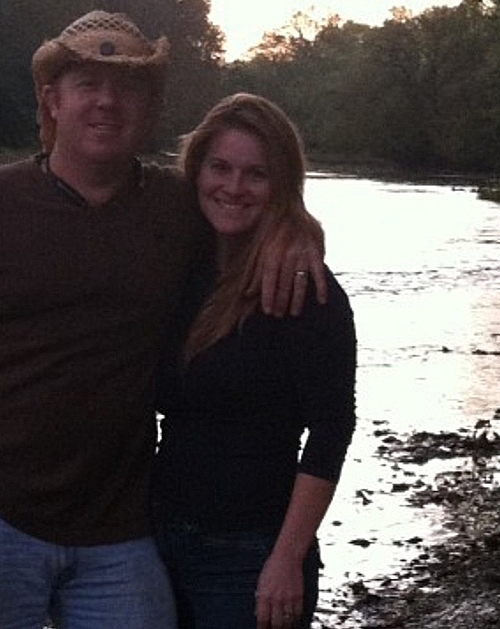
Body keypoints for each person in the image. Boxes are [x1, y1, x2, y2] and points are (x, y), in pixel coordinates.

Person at [0, 12, 327, 629]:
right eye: (87, 85)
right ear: (53, 99)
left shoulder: (179, 210)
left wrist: (299, 230)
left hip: (121, 536)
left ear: (150, 105)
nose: (107, 102)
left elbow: (255, 207)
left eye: (127, 86)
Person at [152, 93, 357, 629]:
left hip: (250, 554)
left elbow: (332, 430)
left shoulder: (304, 289)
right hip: (157, 540)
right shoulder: (183, 264)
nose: (234, 188)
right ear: (196, 169)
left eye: (256, 175)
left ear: (282, 184)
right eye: (220, 167)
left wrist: (287, 557)